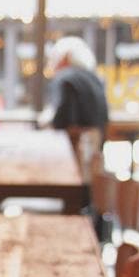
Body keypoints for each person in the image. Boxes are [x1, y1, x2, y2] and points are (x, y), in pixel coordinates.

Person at [39, 36, 109, 174]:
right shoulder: (94, 78)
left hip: (74, 150)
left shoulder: (65, 78)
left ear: (64, 58)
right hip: (95, 146)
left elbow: (61, 118)